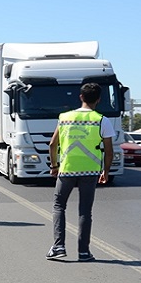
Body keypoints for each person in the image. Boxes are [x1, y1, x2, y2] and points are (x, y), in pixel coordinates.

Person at [46, 83, 113, 262]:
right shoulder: (102, 120)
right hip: (90, 171)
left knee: (59, 206)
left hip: (67, 169)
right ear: (98, 99)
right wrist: (105, 172)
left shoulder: (64, 117)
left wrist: (54, 166)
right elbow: (109, 150)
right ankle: (84, 252)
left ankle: (58, 246)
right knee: (85, 211)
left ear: (81, 97)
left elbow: (53, 144)